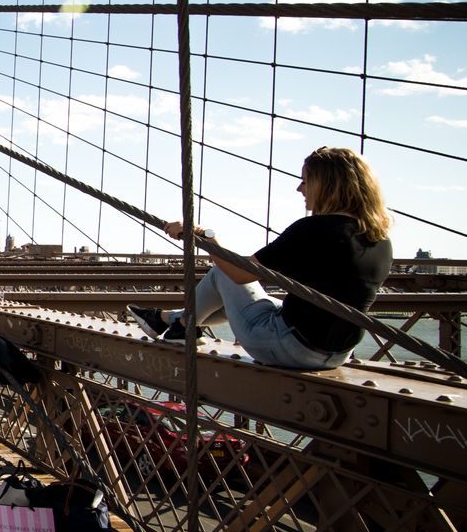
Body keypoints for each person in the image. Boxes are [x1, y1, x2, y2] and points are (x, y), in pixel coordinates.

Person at [126, 146, 393, 370]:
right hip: (338, 354)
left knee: (221, 274)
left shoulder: (314, 229)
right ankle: (172, 320)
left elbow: (240, 274)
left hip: (290, 348)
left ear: (326, 185)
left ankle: (181, 325)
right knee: (250, 297)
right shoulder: (381, 240)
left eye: (305, 180)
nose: (299, 188)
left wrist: (202, 236)